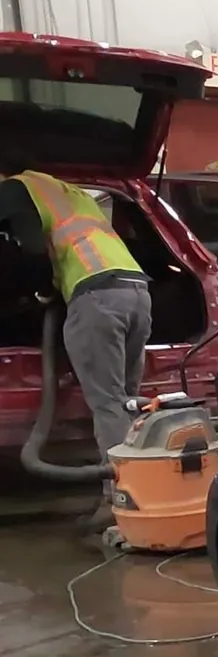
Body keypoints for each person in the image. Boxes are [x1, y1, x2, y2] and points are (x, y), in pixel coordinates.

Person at [0, 168, 153, 468]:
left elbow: (33, 252)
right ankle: (147, 476)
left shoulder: (17, 188)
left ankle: (123, 486)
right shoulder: (69, 192)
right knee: (127, 400)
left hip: (97, 296)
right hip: (137, 291)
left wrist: (43, 292)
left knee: (108, 403)